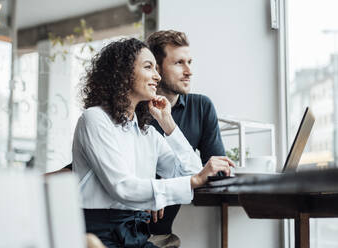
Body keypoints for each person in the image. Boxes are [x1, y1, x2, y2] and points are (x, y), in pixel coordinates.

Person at [71, 38, 233, 247]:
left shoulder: (146, 132)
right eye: (149, 67)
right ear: (123, 73)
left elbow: (190, 172)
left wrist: (168, 124)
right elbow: (122, 188)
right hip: (97, 235)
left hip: (136, 233)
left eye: (157, 69)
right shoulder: (94, 119)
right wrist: (192, 181)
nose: (157, 76)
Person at [145, 30, 227, 247]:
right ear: (157, 69)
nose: (189, 71)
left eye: (190, 62)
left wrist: (164, 189)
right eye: (179, 63)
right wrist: (149, 191)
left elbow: (218, 172)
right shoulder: (134, 110)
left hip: (162, 236)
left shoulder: (201, 107)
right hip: (123, 230)